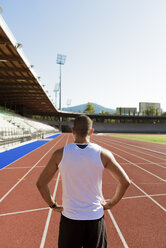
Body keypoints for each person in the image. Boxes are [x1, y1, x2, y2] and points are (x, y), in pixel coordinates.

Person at [36, 115, 131, 248]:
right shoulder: (103, 154)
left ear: (73, 131)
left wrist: (53, 205)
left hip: (70, 219)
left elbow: (40, 184)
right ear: (91, 131)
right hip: (95, 219)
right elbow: (125, 182)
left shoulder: (60, 154)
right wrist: (111, 203)